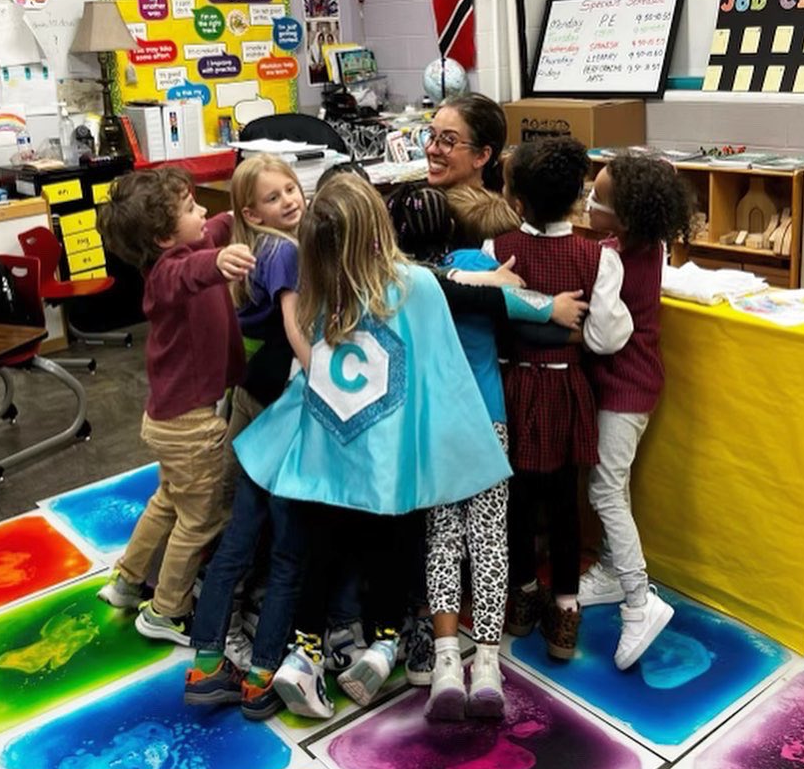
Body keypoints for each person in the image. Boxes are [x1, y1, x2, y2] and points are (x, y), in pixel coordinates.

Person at [229, 175, 512, 719]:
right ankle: (385, 646)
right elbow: (443, 374)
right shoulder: (414, 286)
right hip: (391, 458)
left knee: (320, 551)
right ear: (379, 227)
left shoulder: (318, 288)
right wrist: (464, 446)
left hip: (326, 453)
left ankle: (304, 654)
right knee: (397, 544)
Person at [387, 183, 587, 720]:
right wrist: (553, 312)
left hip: (432, 424)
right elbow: (517, 313)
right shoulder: (475, 261)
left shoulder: (397, 280)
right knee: (490, 539)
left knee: (443, 539)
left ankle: (448, 660)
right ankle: (490, 667)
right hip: (486, 418)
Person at [95, 167, 254, 643]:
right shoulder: (167, 274)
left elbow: (217, 226)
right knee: (200, 518)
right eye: (190, 208)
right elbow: (191, 273)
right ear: (165, 237)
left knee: (167, 500)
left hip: (169, 417)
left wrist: (245, 208)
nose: (201, 211)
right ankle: (166, 610)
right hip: (190, 423)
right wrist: (220, 260)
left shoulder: (192, 242)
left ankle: (127, 580)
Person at [491, 138, 633, 660]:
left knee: (518, 499)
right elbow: (608, 337)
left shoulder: (498, 248)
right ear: (577, 198)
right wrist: (569, 334)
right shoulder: (598, 258)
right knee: (565, 504)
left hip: (517, 386)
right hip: (568, 388)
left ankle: (524, 596)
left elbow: (494, 319)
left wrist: (530, 328)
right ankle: (566, 612)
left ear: (519, 202)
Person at [184, 155, 312, 719]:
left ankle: (206, 662)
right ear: (249, 212)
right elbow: (294, 324)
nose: (289, 200)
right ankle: (262, 676)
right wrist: (327, 375)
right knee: (286, 543)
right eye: (273, 197)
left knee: (241, 529)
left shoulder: (251, 246)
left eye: (291, 188)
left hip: (250, 395)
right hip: (282, 406)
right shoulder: (283, 250)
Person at [579, 154, 693, 668]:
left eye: (598, 199)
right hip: (623, 385)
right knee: (613, 482)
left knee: (604, 488)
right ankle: (608, 567)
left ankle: (638, 600)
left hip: (627, 386)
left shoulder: (614, 257)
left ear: (624, 218)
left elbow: (604, 334)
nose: (589, 202)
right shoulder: (641, 244)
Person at [424, 93, 507, 193]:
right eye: (432, 135)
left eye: (448, 141)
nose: (431, 149)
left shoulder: (485, 208)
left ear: (481, 156)